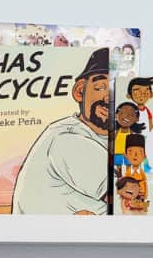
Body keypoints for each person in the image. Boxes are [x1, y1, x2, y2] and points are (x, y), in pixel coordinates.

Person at [11, 47, 111, 215]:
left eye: (118, 89)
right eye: (101, 87)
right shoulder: (67, 138)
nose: (109, 97)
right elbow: (127, 198)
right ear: (80, 91)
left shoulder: (112, 138)